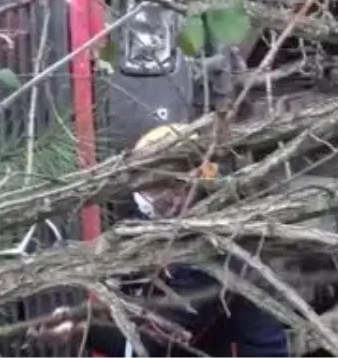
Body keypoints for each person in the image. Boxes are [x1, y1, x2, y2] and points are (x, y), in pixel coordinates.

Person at [28, 124, 291, 357]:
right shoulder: (160, 227)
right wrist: (81, 315)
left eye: (153, 187)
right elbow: (136, 306)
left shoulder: (213, 250)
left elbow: (156, 340)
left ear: (183, 188)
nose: (145, 196)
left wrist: (80, 331)